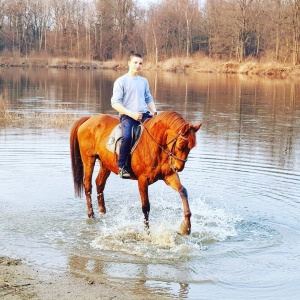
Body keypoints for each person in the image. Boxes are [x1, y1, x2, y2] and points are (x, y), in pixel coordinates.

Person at [111, 53, 157, 179]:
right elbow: (115, 103)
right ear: (129, 63)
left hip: (144, 115)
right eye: (135, 62)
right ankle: (122, 166)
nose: (138, 65)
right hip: (128, 116)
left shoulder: (143, 81)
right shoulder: (121, 81)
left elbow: (148, 98)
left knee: (159, 132)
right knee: (127, 136)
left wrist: (154, 112)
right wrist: (131, 113)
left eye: (140, 63)